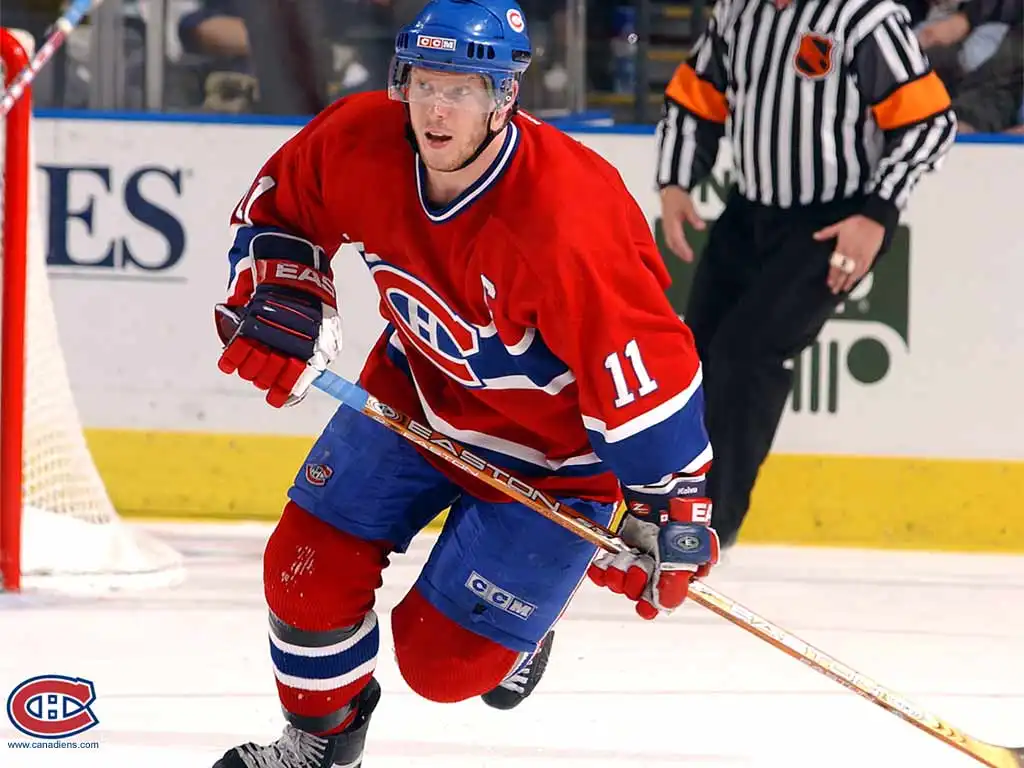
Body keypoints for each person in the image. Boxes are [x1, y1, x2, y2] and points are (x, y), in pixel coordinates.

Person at [211, 2, 719, 766]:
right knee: (302, 571)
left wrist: (666, 503)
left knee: (441, 666)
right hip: (413, 396)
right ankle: (319, 745)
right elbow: (281, 210)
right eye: (424, 84)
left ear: (503, 97)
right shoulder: (360, 140)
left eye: (461, 89)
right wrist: (285, 289)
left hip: (553, 463)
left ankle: (528, 626)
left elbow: (644, 366)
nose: (436, 109)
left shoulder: (568, 215)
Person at [656, 0, 958, 549]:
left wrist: (877, 214)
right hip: (749, 210)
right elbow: (694, 96)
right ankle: (669, 504)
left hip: (834, 220)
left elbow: (929, 123)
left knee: (747, 356)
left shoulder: (864, 18)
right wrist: (675, 180)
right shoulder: (736, 12)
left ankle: (709, 525)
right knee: (691, 359)